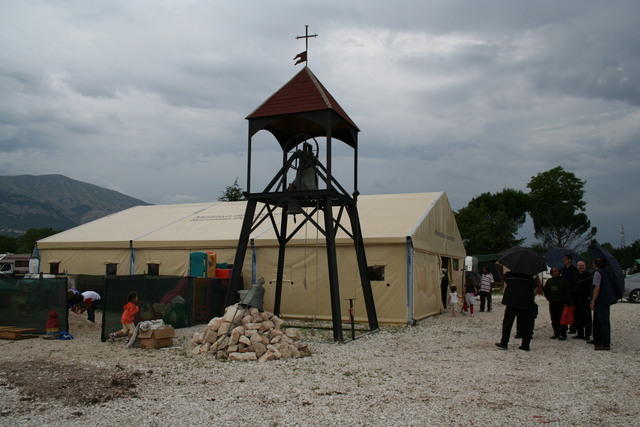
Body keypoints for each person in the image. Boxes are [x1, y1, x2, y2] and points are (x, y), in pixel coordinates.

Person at [495, 271, 537, 351]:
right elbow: (533, 287)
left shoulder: (510, 275)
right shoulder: (530, 276)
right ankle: (525, 345)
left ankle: (504, 342)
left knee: (507, 323)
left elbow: (505, 279)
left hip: (512, 301)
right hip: (525, 302)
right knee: (526, 324)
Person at [590, 258, 617, 351]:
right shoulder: (607, 272)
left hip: (601, 300)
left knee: (603, 322)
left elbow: (597, 287)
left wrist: (593, 300)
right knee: (600, 321)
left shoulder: (597, 273)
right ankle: (599, 340)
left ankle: (605, 344)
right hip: (606, 299)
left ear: (595, 264)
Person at [543, 267, 571, 340]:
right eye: (554, 271)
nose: (555, 272)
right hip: (553, 302)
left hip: (562, 302)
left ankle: (563, 333)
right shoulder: (549, 281)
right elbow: (546, 291)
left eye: (557, 271)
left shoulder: (563, 280)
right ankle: (556, 333)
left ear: (559, 272)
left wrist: (566, 302)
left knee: (562, 318)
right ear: (551, 273)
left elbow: (567, 292)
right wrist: (548, 298)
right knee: (554, 318)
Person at [572, 261, 593, 340]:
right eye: (579, 265)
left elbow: (591, 287)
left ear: (585, 266)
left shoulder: (589, 275)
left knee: (587, 317)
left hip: (585, 299)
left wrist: (590, 297)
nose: (581, 267)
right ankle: (580, 333)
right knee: (578, 316)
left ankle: (587, 334)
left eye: (582, 265)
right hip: (577, 299)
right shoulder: (575, 275)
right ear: (577, 266)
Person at [560, 255, 579, 333]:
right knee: (564, 310)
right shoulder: (562, 269)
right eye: (563, 259)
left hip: (572, 292)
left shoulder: (574, 270)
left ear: (570, 260)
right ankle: (564, 326)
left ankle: (573, 327)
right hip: (564, 292)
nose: (563, 260)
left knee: (573, 310)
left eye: (565, 259)